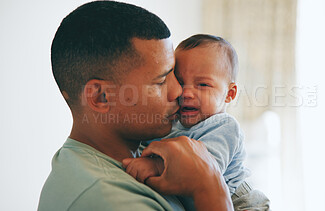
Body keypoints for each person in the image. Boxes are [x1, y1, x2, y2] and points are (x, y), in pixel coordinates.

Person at [38, 1, 233, 210]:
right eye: (161, 81)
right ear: (102, 97)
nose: (179, 92)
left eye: (174, 73)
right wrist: (209, 185)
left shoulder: (135, 150)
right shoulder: (110, 199)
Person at [123, 34, 270, 211]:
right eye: (180, 82)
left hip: (240, 202)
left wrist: (155, 165)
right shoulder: (173, 120)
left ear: (229, 94)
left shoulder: (224, 126)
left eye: (202, 85)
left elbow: (202, 166)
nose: (186, 93)